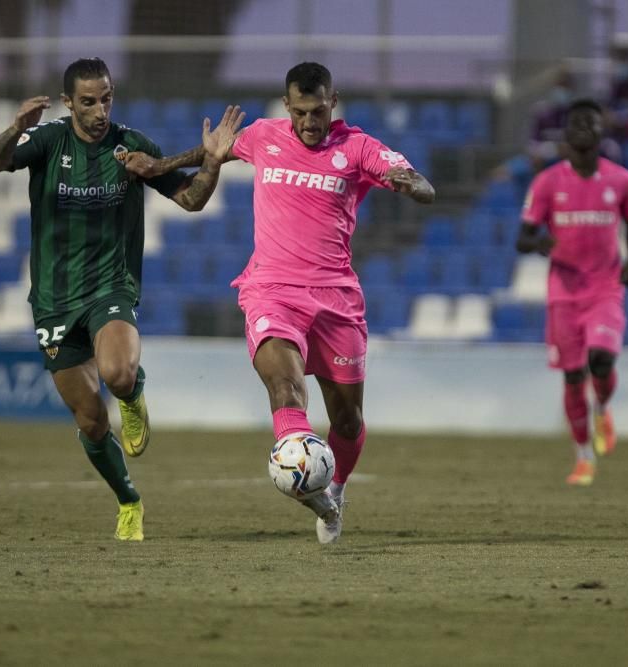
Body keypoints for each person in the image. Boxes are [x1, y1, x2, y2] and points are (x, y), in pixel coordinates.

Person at [120, 62, 435, 544]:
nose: (310, 122)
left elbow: (413, 177)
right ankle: (306, 477)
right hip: (272, 290)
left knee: (347, 421)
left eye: (319, 111)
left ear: (334, 101)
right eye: (301, 112)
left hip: (337, 300)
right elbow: (218, 153)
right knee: (285, 388)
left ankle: (335, 488)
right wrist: (158, 167)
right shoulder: (263, 135)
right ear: (287, 107)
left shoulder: (358, 147)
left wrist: (409, 181)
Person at [0, 57, 243, 541]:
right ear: (68, 103)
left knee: (117, 374)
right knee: (91, 419)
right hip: (54, 300)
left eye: (106, 98)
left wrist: (212, 161)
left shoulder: (131, 145)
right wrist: (14, 129)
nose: (100, 110)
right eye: (88, 101)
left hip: (110, 286)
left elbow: (191, 200)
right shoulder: (47, 140)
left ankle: (132, 392)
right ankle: (128, 501)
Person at [517, 98, 628, 487]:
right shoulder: (547, 183)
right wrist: (539, 244)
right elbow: (523, 237)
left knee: (602, 359)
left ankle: (602, 407)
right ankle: (584, 456)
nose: (584, 128)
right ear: (567, 134)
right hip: (564, 292)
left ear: (602, 130)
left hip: (605, 288)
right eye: (576, 123)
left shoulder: (623, 181)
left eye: (591, 122)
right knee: (573, 376)